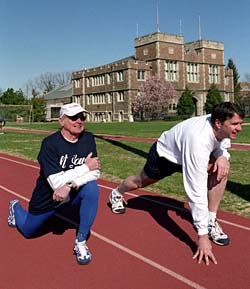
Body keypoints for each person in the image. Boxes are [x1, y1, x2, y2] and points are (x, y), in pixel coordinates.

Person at [109, 102, 244, 265]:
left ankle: (211, 219)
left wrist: (222, 156)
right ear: (218, 123)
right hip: (165, 157)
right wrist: (202, 236)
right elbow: (196, 190)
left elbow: (222, 142)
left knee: (221, 169)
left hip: (186, 151)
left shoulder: (218, 126)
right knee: (140, 182)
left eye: (240, 123)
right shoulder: (198, 140)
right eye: (235, 124)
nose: (239, 128)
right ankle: (116, 193)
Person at [8, 102, 101, 265]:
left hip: (71, 192)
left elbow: (96, 172)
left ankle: (80, 242)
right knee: (28, 231)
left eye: (82, 117)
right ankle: (15, 207)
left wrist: (71, 184)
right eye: (74, 117)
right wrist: (85, 167)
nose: (79, 121)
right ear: (61, 121)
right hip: (49, 197)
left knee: (92, 189)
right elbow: (57, 183)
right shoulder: (49, 144)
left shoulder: (88, 138)